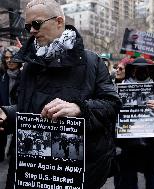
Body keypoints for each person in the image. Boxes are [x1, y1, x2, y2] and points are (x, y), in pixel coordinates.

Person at [0, 1, 121, 189]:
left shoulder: (92, 62)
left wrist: (80, 108)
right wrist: (7, 114)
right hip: (33, 171)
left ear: (59, 21)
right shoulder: (29, 64)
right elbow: (30, 110)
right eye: (27, 26)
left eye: (37, 24)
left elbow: (112, 104)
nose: (31, 30)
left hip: (76, 174)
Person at [114, 57, 154, 189]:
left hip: (150, 144)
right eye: (138, 69)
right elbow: (114, 115)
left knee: (151, 179)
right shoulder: (122, 89)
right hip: (129, 145)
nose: (142, 71)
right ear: (132, 71)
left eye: (145, 69)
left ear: (149, 71)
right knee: (129, 180)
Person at [0, 46, 22, 162]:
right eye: (6, 57)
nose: (9, 60)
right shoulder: (3, 77)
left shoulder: (25, 77)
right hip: (4, 119)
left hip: (19, 119)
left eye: (12, 57)